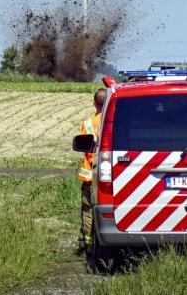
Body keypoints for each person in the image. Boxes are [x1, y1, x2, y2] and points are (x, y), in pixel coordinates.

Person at [77, 88, 106, 254]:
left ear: (94, 103)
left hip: (90, 175)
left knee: (88, 211)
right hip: (110, 175)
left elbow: (82, 146)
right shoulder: (115, 120)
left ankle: (88, 245)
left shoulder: (88, 124)